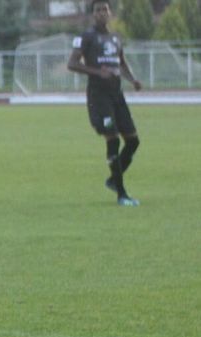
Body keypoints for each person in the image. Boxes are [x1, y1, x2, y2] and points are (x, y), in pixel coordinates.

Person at [67, 0, 142, 207]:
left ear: (110, 13)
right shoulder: (85, 37)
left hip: (117, 95)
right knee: (113, 139)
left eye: (105, 9)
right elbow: (71, 64)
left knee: (133, 141)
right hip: (99, 97)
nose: (102, 13)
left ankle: (112, 180)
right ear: (93, 14)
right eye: (98, 10)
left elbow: (122, 63)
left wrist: (132, 79)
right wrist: (97, 72)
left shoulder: (116, 37)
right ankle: (122, 194)